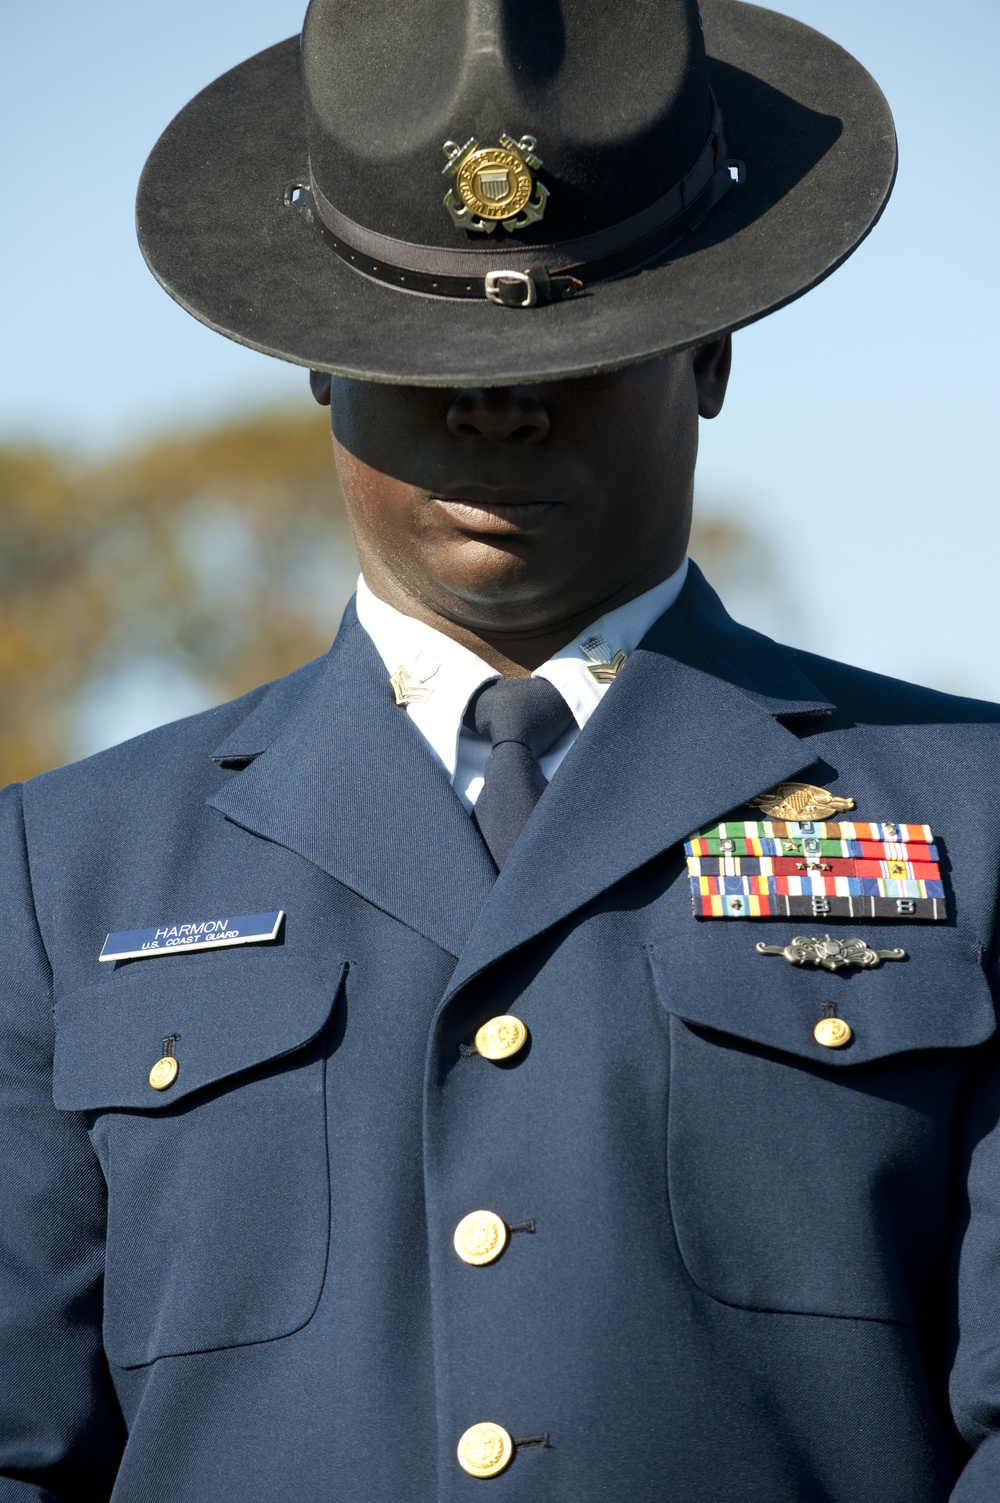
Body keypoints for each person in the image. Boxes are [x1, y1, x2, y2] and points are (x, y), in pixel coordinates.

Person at [3, 1, 1000, 1498]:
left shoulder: (971, 816)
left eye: (578, 350)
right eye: (420, 351)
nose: (497, 408)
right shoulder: (63, 870)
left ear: (713, 351)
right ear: (320, 366)